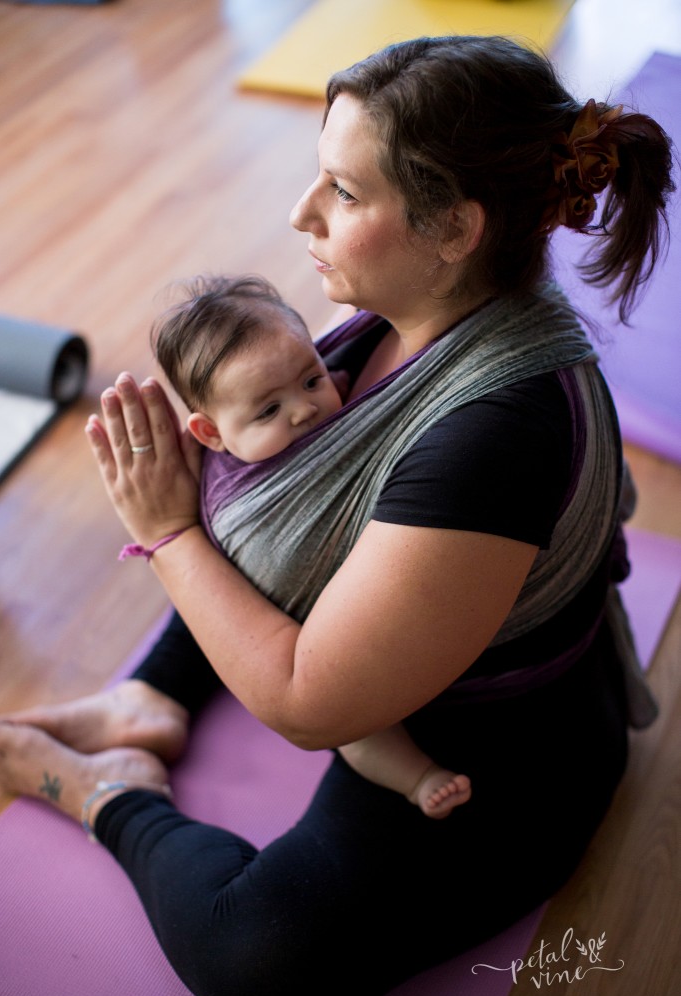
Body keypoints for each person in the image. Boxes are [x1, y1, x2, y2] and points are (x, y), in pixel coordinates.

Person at [0, 34, 674, 996]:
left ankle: (108, 788)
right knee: (271, 467)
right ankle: (151, 696)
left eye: (342, 193)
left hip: (497, 751)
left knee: (258, 960)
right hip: (408, 636)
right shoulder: (411, 314)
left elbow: (311, 703)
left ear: (454, 227)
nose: (299, 213)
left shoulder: (494, 434)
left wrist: (168, 531)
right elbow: (296, 526)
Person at [150, 270, 472, 819]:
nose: (303, 410)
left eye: (309, 380)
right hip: (296, 634)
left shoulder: (340, 392)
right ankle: (416, 778)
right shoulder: (236, 501)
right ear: (212, 434)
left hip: (385, 601)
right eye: (268, 410)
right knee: (358, 728)